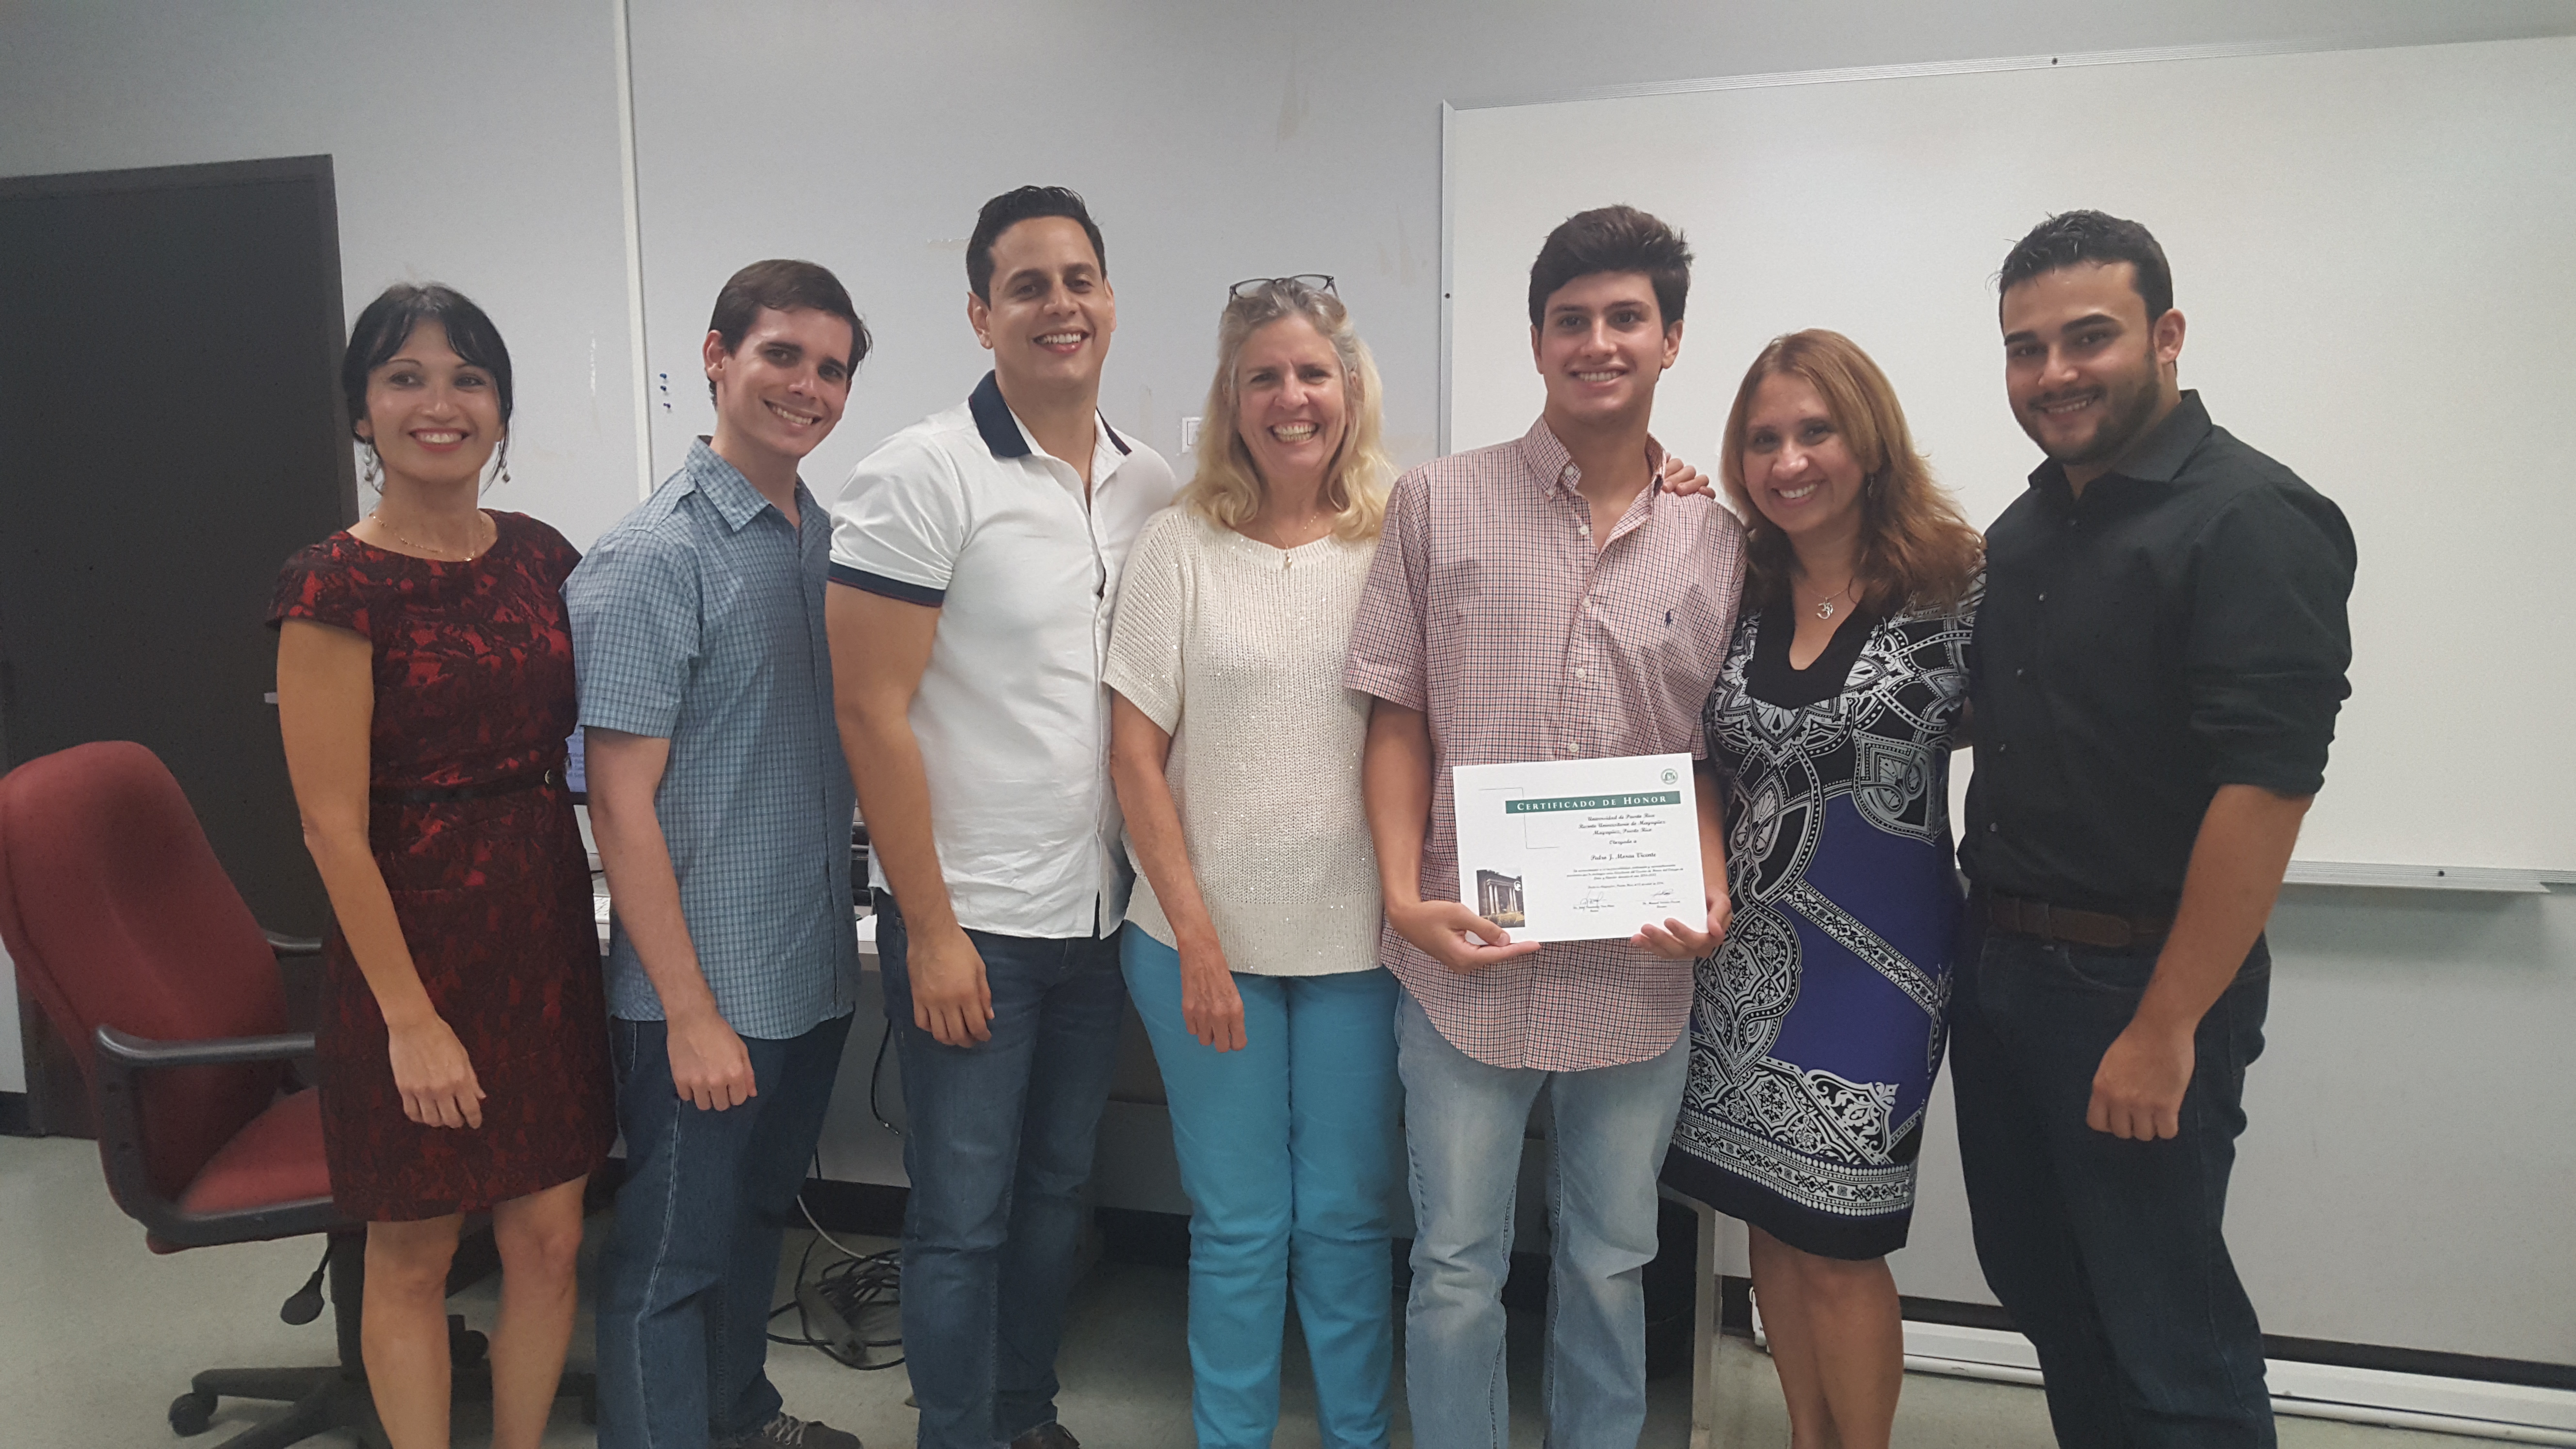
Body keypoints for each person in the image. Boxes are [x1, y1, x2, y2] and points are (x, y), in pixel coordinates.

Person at [1343, 204, 1745, 1449]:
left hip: (1637, 969)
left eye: (1626, 318)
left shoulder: (1718, 535)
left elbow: (1715, 755)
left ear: (1671, 340)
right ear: (1534, 341)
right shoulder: (1435, 503)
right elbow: (1397, 715)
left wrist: (1714, 883)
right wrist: (1403, 896)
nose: (1598, 341)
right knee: (1457, 1265)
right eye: (1571, 320)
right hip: (1465, 959)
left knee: (1610, 1262)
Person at [1953, 211, 2356, 1448]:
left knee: (2167, 1332)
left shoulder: (2251, 520)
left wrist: (2166, 1025)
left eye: (2089, 339)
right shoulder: (2024, 533)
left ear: (2166, 336)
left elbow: (2268, 788)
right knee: (2052, 1301)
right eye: (2026, 348)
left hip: (2135, 985)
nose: (2054, 374)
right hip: (2003, 970)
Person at [827, 185, 1177, 1449]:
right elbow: (870, 712)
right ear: (982, 313)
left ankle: (1025, 1416)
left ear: (1111, 300)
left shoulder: (1151, 484)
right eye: (1028, 285)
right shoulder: (924, 471)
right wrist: (928, 929)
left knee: (1054, 1195)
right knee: (962, 1212)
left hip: (1098, 921)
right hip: (970, 918)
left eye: (1079, 278)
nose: (1059, 305)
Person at [271, 283, 612, 1449]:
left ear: (502, 411)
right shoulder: (331, 588)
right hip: (407, 953)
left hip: (545, 929)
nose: (440, 402)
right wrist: (410, 1021)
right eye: (405, 378)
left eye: (468, 377)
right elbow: (330, 825)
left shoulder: (543, 559)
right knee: (415, 1255)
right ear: (362, 413)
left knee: (550, 1240)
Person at [569, 260, 871, 1449]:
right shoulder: (655, 557)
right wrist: (688, 1013)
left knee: (754, 1224)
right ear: (716, 357)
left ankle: (740, 1418)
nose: (806, 386)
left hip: (806, 975)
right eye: (780, 356)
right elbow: (617, 801)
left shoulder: (821, 542)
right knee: (670, 1255)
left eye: (831, 368)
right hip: (703, 991)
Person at [1661, 330, 1982, 1449]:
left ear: (1869, 441)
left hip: (1885, 965)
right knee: (1772, 1227)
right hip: (1743, 955)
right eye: (1761, 440)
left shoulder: (1959, 583)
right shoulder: (1734, 582)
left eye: (1814, 432)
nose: (1787, 461)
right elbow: (1697, 759)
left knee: (1844, 1243)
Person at [1103, 275, 1400, 1449]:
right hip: (1194, 948)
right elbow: (1135, 760)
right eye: (1262, 376)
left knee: (1342, 1217)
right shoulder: (1178, 546)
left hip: (1358, 948)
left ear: (1350, 392)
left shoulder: (1399, 536)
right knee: (1238, 1224)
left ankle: (1356, 1434)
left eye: (1312, 374)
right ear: (1231, 399)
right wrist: (1201, 942)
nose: (1290, 398)